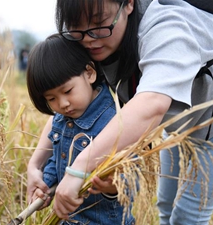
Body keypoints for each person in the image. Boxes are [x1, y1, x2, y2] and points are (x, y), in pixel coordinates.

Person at [26, 0, 213, 224]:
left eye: (99, 23)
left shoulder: (169, 28)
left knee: (188, 215)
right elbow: (66, 109)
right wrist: (35, 164)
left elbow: (152, 103)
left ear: (128, 4)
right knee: (166, 205)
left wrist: (78, 169)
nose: (89, 38)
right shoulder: (90, 37)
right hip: (178, 120)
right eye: (76, 29)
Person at [26, 33, 135, 225]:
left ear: (90, 73)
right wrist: (46, 183)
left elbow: (133, 182)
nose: (63, 103)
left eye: (67, 91)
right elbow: (58, 159)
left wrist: (112, 186)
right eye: (51, 99)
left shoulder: (114, 122)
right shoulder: (63, 119)